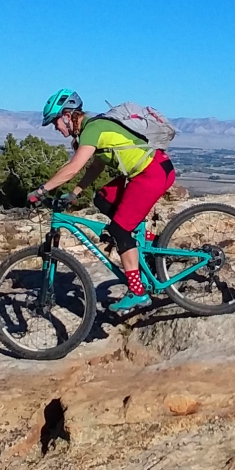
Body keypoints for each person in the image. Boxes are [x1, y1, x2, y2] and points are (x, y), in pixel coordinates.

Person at [27, 88, 176, 312]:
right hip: (146, 172)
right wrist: (75, 193)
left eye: (55, 122)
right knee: (103, 198)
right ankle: (150, 245)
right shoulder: (89, 131)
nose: (55, 128)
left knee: (119, 230)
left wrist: (41, 190)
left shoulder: (94, 128)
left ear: (67, 116)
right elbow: (96, 166)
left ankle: (137, 292)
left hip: (152, 173)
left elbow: (73, 167)